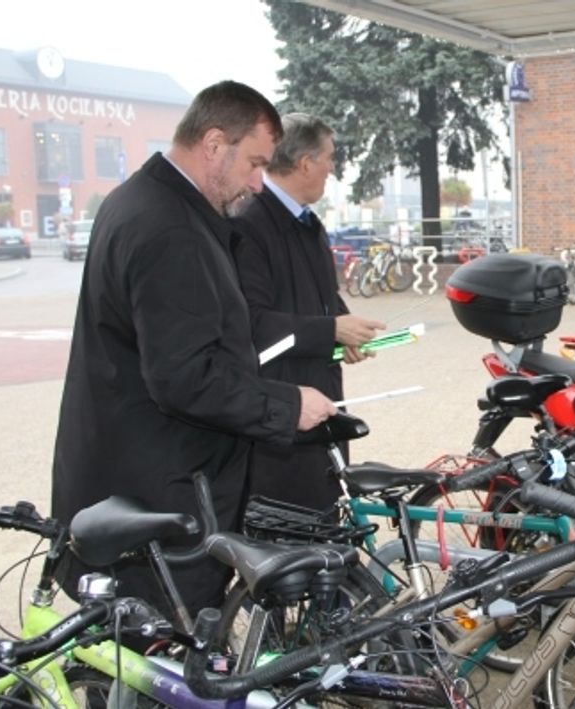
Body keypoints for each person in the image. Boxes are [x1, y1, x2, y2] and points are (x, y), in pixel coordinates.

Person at [51, 81, 337, 618]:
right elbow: (184, 375)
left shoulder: (146, 200)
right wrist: (286, 405)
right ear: (212, 144)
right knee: (162, 662)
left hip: (135, 483)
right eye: (253, 163)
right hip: (158, 498)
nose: (258, 184)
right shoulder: (169, 228)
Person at [232, 113, 385, 513]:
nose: (332, 169)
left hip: (323, 401)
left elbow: (322, 295)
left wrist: (344, 330)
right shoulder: (250, 224)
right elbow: (252, 323)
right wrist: (330, 329)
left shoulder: (308, 222)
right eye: (329, 158)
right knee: (295, 536)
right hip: (282, 416)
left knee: (332, 521)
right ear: (304, 163)